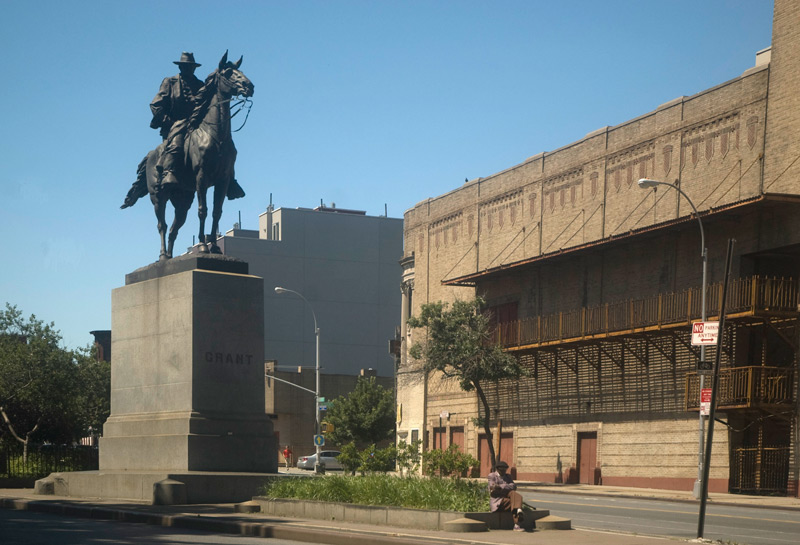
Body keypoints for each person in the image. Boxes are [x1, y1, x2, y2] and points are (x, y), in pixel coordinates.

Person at [149, 52, 204, 186]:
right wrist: (169, 121)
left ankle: (229, 179)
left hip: (196, 126)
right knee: (176, 143)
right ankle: (168, 171)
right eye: (185, 66)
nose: (188, 69)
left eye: (191, 66)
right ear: (180, 67)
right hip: (175, 125)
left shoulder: (200, 85)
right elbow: (156, 105)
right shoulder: (170, 82)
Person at [488, 460, 525, 531]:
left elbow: (514, 486)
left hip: (508, 498)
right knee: (515, 502)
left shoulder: (508, 476)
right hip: (498, 501)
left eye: (505, 470)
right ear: (498, 469)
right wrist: (506, 486)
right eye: (502, 470)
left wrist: (501, 487)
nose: (503, 472)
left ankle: (518, 514)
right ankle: (517, 523)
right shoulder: (492, 476)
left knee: (515, 494)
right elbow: (492, 488)